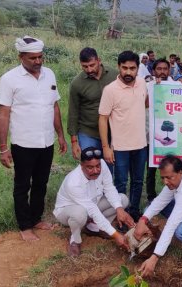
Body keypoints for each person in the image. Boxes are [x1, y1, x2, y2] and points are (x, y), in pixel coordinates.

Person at [0, 36, 68, 241]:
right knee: (22, 185)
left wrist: (61, 135)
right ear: (21, 57)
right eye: (32, 58)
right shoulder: (9, 79)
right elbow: (3, 114)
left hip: (46, 141)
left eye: (40, 57)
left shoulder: (50, 75)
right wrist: (3, 148)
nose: (38, 61)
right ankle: (25, 226)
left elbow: (54, 106)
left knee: (41, 182)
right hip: (23, 143)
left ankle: (36, 218)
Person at [54, 147, 135, 257]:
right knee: (80, 213)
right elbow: (92, 209)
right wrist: (116, 235)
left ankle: (94, 228)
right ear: (82, 166)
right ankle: (75, 240)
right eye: (90, 167)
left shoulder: (102, 164)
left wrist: (119, 209)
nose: (96, 170)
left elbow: (109, 188)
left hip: (92, 204)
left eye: (97, 166)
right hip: (67, 211)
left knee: (122, 200)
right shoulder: (73, 182)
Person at [99, 51, 149, 222]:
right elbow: (103, 118)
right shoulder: (110, 90)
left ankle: (134, 212)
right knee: (120, 183)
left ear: (138, 68)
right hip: (120, 147)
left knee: (137, 181)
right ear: (119, 67)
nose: (128, 72)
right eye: (124, 68)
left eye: (132, 68)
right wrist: (106, 147)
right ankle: (121, 216)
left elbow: (147, 103)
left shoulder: (142, 84)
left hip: (141, 145)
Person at [68, 48, 118, 159]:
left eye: (92, 65)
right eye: (85, 66)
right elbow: (73, 112)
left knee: (109, 168)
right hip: (88, 132)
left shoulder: (115, 76)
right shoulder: (77, 83)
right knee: (91, 165)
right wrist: (74, 141)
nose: (89, 70)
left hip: (112, 132)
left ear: (99, 60)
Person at [146, 58, 174, 202]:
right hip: (151, 135)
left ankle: (171, 196)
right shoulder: (147, 85)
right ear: (153, 70)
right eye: (159, 69)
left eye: (165, 69)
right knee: (151, 168)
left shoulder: (175, 85)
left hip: (170, 132)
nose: (162, 72)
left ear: (169, 70)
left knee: (171, 167)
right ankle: (151, 197)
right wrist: (152, 88)